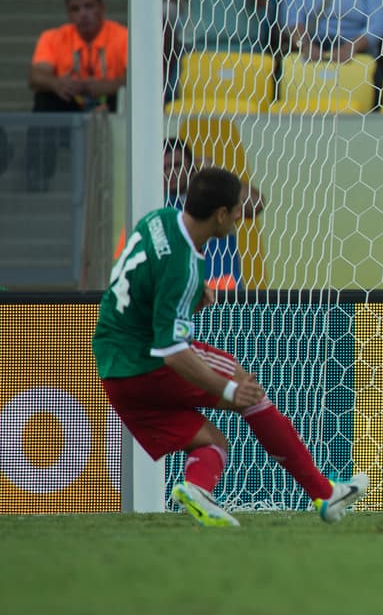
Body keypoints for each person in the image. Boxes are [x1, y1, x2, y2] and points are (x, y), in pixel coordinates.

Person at [93, 167, 367, 527]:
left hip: (114, 370)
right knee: (249, 392)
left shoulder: (158, 220)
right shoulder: (185, 266)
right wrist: (229, 390)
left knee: (212, 442)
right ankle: (323, 493)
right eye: (237, 208)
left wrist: (188, 295)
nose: (241, 215)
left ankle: (197, 489)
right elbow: (173, 351)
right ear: (221, 214)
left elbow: (142, 282)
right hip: (150, 361)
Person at [27, 0, 128, 191]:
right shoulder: (53, 37)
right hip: (71, 104)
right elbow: (36, 75)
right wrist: (58, 83)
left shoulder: (122, 36)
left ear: (102, 7)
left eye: (89, 6)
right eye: (75, 9)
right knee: (44, 99)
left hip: (108, 104)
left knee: (125, 96)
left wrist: (105, 86)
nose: (83, 14)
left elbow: (133, 77)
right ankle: (39, 176)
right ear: (68, 12)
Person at [163, 138, 266, 290]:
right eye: (165, 167)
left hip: (226, 298)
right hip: (186, 298)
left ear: (191, 166)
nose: (170, 173)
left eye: (176, 166)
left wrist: (217, 175)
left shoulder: (216, 196)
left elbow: (256, 203)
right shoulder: (158, 206)